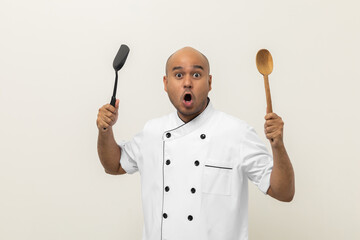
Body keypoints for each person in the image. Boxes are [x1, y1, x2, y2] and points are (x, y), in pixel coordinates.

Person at [96, 47, 295, 240]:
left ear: (210, 82)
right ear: (165, 83)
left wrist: (277, 145)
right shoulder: (152, 132)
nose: (188, 82)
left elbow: (283, 192)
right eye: (179, 75)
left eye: (197, 75)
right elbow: (114, 165)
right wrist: (105, 130)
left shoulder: (236, 133)